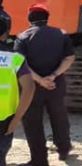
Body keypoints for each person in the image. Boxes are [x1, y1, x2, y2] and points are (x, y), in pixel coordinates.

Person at [14, 5, 75, 166]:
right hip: (56, 84)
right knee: (59, 115)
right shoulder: (61, 34)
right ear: (47, 18)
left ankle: (39, 159)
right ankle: (63, 149)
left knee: (32, 122)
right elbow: (69, 58)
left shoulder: (22, 37)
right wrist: (53, 76)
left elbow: (20, 63)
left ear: (29, 19)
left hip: (31, 87)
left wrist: (40, 80)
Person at [0, 13, 35, 166]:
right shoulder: (15, 58)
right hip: (5, 119)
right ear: (5, 34)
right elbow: (29, 88)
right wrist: (17, 118)